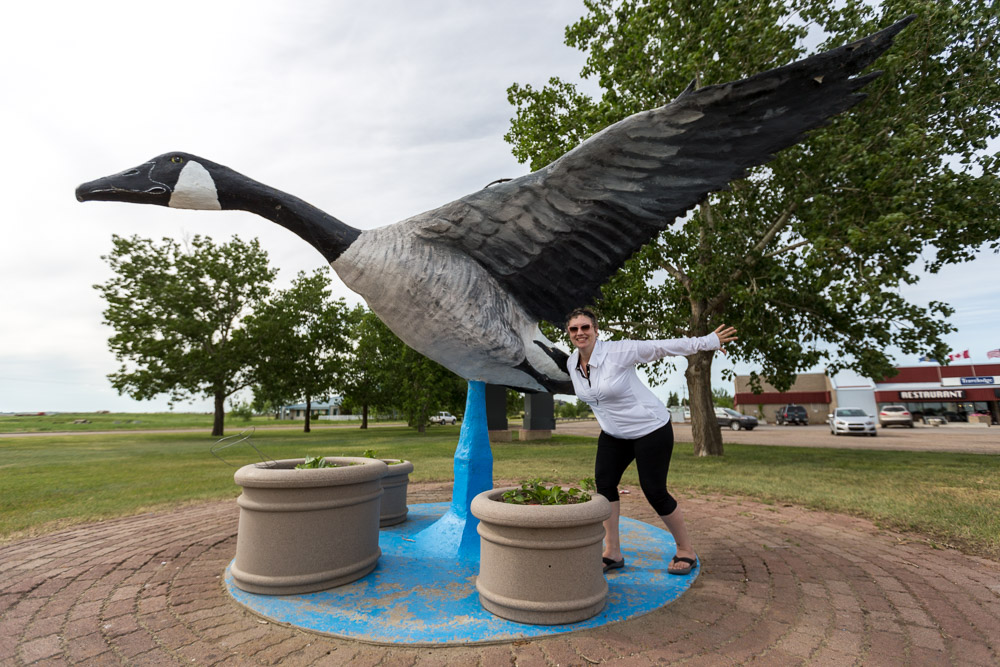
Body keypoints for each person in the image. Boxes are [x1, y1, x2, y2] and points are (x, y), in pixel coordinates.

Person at [565, 307, 737, 575]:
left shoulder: (619, 352)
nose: (580, 333)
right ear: (569, 334)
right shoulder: (572, 363)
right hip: (614, 434)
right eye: (574, 329)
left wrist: (708, 341)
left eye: (585, 327)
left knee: (654, 491)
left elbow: (662, 347)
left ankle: (685, 550)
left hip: (650, 429)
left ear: (596, 331)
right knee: (605, 486)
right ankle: (612, 552)